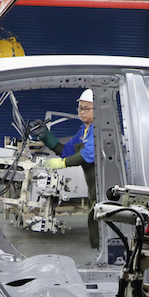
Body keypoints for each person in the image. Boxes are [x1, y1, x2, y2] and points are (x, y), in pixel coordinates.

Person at [28, 89, 99, 249]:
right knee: (94, 220)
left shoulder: (100, 129)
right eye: (80, 108)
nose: (81, 112)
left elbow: (88, 154)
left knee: (100, 222)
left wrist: (61, 164)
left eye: (86, 108)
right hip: (94, 188)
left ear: (99, 109)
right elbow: (66, 151)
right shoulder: (84, 130)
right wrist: (45, 136)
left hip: (108, 187)